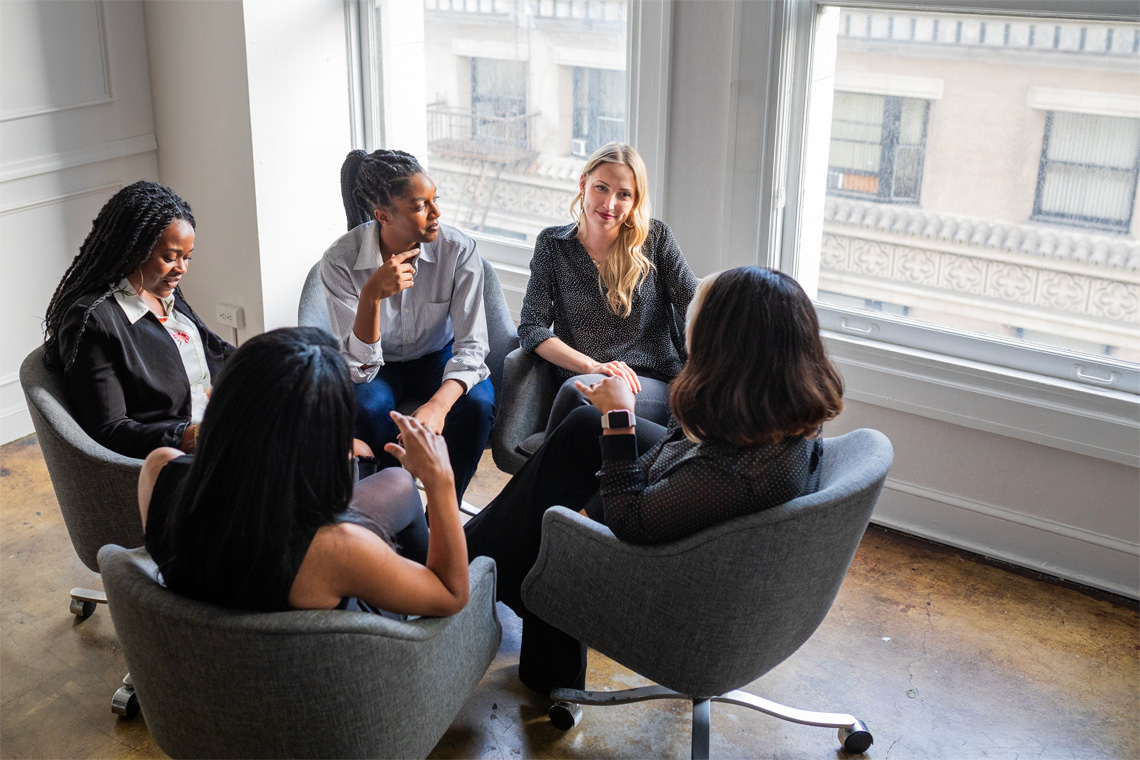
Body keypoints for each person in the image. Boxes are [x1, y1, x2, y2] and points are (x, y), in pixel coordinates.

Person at [464, 266, 845, 695]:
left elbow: (631, 519)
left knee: (558, 515)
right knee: (583, 427)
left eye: (697, 324)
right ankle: (488, 561)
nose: (688, 331)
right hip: (690, 505)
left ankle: (471, 564)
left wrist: (621, 418)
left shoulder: (736, 473)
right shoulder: (784, 405)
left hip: (671, 576)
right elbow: (679, 451)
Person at [138, 327, 469, 616]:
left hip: (208, 652)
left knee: (397, 480)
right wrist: (440, 480)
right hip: (348, 655)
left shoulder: (159, 468)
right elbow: (452, 596)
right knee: (402, 488)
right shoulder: (339, 549)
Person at [322, 149, 495, 501]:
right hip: (376, 363)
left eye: (435, 200)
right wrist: (371, 296)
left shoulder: (458, 251)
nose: (436, 214)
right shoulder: (340, 262)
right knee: (368, 407)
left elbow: (473, 347)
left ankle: (445, 504)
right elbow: (358, 369)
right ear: (383, 216)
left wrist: (438, 406)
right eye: (421, 206)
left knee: (477, 405)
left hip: (436, 353)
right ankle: (396, 504)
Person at [517, 142, 698, 440]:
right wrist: (592, 366)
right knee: (579, 396)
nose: (609, 203)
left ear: (635, 200)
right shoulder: (553, 244)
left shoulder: (656, 240)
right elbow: (532, 328)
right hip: (583, 378)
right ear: (583, 183)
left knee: (580, 399)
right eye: (601, 188)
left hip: (648, 381)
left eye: (623, 194)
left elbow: (696, 308)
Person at [42, 181, 235, 459]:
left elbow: (213, 348)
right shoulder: (94, 321)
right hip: (175, 457)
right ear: (134, 250)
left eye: (187, 257)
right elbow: (109, 430)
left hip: (217, 424)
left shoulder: (164, 290)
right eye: (170, 257)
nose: (181, 268)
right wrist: (197, 436)